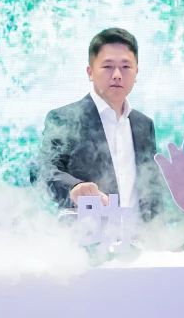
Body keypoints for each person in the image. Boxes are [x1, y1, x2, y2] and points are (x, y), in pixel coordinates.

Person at [38, 27, 165, 221]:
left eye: (125, 66)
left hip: (140, 236)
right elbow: (42, 169)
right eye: (108, 67)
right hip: (88, 235)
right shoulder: (65, 119)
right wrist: (74, 188)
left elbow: (151, 187)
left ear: (136, 72)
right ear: (90, 72)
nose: (117, 75)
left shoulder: (143, 125)